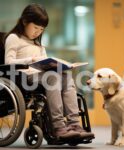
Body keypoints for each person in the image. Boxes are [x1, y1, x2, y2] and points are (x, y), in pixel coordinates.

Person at [4, 3, 94, 140]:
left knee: (65, 75)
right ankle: (59, 126)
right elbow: (8, 62)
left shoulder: (38, 45)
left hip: (41, 76)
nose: (37, 32)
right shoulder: (14, 38)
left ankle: (74, 124)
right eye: (35, 27)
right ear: (24, 22)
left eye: (41, 29)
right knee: (53, 78)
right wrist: (30, 59)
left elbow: (44, 64)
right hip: (23, 78)